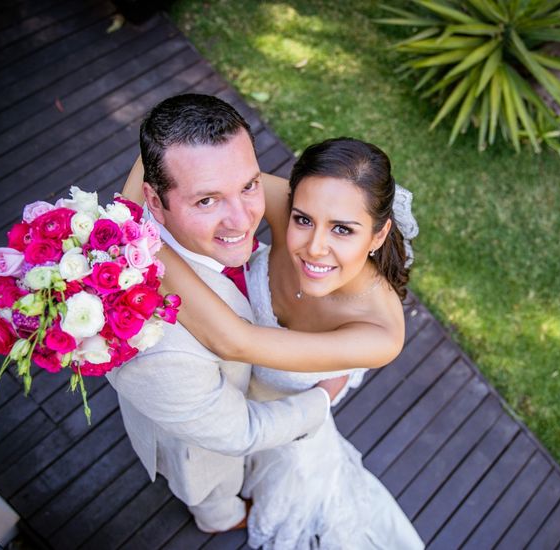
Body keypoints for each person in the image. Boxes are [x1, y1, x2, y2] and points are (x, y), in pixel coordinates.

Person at [121, 137, 424, 548]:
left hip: (287, 409)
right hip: (222, 389)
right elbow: (157, 159)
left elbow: (234, 340)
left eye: (343, 229)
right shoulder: (282, 205)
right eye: (303, 220)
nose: (315, 248)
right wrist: (171, 163)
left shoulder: (381, 332)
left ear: (377, 234)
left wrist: (138, 246)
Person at [105, 93, 348, 535]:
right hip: (199, 445)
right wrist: (322, 397)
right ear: (154, 203)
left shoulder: (216, 232)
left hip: (239, 383)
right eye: (207, 201)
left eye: (250, 185)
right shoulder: (153, 347)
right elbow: (241, 432)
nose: (243, 220)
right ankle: (220, 519)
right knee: (212, 489)